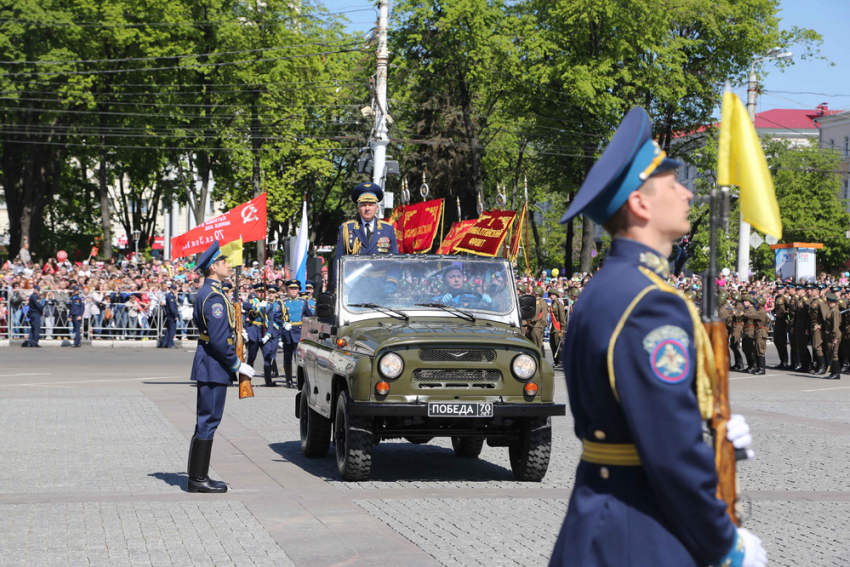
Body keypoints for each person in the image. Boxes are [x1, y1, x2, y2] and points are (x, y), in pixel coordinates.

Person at [549, 107, 764, 567]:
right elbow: (671, 451)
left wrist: (715, 430)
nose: (687, 193)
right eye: (673, 185)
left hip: (600, 521)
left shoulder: (604, 290)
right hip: (640, 532)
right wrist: (725, 543)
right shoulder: (651, 304)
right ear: (641, 204)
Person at [187, 241, 255, 493]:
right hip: (214, 365)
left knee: (206, 420)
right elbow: (217, 340)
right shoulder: (213, 297)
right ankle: (197, 479)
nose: (228, 265)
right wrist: (237, 364)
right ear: (213, 267)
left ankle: (197, 476)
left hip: (211, 364)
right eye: (224, 262)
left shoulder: (212, 292)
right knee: (208, 420)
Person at [334, 182, 399, 258]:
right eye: (363, 205)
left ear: (377, 208)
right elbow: (339, 259)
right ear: (358, 208)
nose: (367, 208)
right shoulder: (347, 228)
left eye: (371, 205)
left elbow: (394, 258)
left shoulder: (387, 228)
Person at [280, 279, 309, 388]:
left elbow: (309, 316)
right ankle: (288, 380)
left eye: (295, 288)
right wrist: (284, 324)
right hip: (288, 332)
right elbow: (277, 317)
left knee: (299, 359)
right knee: (287, 358)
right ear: (287, 290)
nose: (293, 290)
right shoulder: (282, 302)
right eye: (291, 288)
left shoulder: (303, 302)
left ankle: (299, 381)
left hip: (300, 332)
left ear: (298, 290)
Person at [260, 284, 282, 388]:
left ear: (276, 294)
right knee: (268, 355)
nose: (271, 294)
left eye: (273, 293)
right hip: (267, 332)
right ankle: (269, 378)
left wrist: (281, 336)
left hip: (276, 332)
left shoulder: (279, 304)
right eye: (270, 293)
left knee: (273, 353)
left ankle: (274, 371)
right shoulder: (265, 304)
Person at [824, 292, 841, 380]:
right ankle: (833, 372)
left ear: (829, 301)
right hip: (830, 335)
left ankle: (836, 373)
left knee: (834, 354)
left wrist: (834, 337)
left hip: (834, 335)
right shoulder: (831, 310)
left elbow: (835, 326)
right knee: (831, 353)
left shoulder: (835, 311)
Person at [772, 284, 790, 369]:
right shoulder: (776, 298)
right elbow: (777, 309)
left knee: (782, 342)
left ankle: (785, 362)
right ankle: (782, 361)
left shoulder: (785, 298)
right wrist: (774, 311)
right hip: (778, 321)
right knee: (776, 341)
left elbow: (790, 311)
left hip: (783, 321)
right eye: (777, 288)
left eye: (780, 289)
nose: (778, 290)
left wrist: (787, 319)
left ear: (783, 289)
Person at [548, 288, 567, 366]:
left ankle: (560, 361)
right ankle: (555, 361)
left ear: (555, 295)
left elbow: (562, 317)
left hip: (558, 327)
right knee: (552, 344)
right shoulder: (552, 304)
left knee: (558, 344)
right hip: (553, 327)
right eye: (550, 295)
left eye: (552, 295)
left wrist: (563, 328)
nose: (551, 296)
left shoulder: (559, 304)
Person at [162, 284, 179, 348]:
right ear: (171, 289)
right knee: (172, 330)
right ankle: (170, 344)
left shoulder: (172, 296)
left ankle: (165, 343)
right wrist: (175, 315)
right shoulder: (170, 296)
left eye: (175, 289)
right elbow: (172, 308)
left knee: (169, 329)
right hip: (171, 315)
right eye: (174, 289)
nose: (175, 290)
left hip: (170, 314)